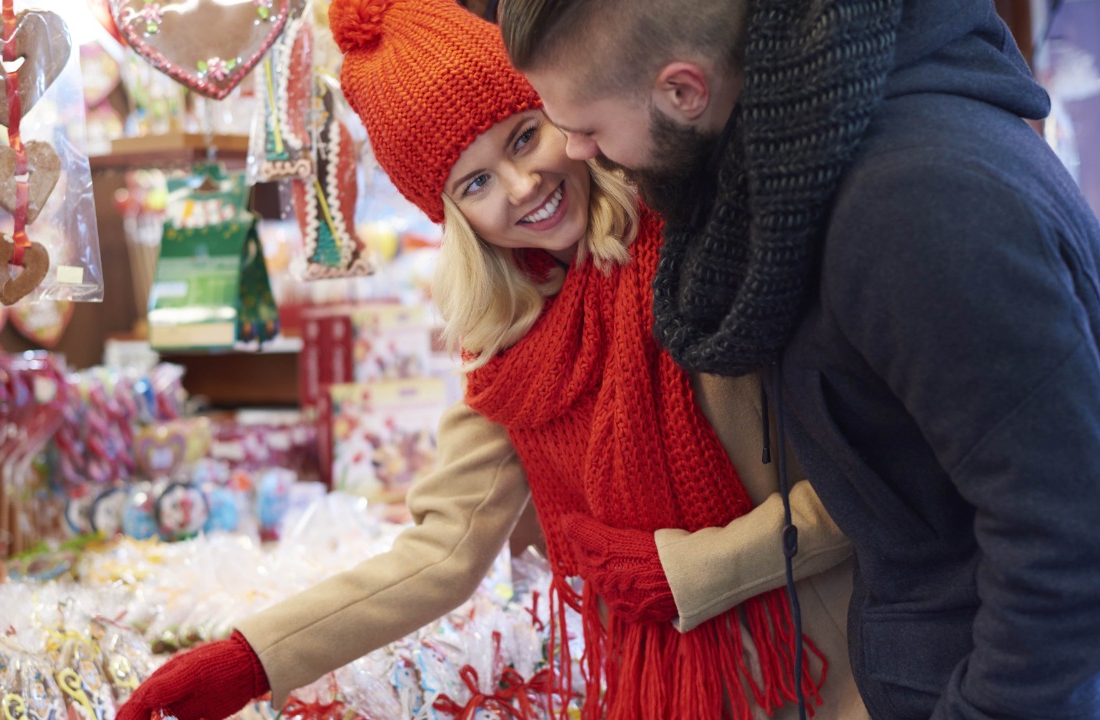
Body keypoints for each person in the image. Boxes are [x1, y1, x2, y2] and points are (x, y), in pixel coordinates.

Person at [117, 0, 864, 718]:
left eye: (523, 137)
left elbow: (875, 481)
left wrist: (690, 571)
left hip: (837, 669)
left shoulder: (700, 247)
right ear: (452, 217)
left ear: (561, 111)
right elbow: (442, 551)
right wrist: (250, 660)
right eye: (475, 183)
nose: (523, 185)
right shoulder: (511, 347)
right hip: (672, 694)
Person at [498, 0, 1100, 718]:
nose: (574, 152)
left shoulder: (916, 211)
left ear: (683, 91)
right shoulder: (800, 170)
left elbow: (1064, 539)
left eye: (587, 127)